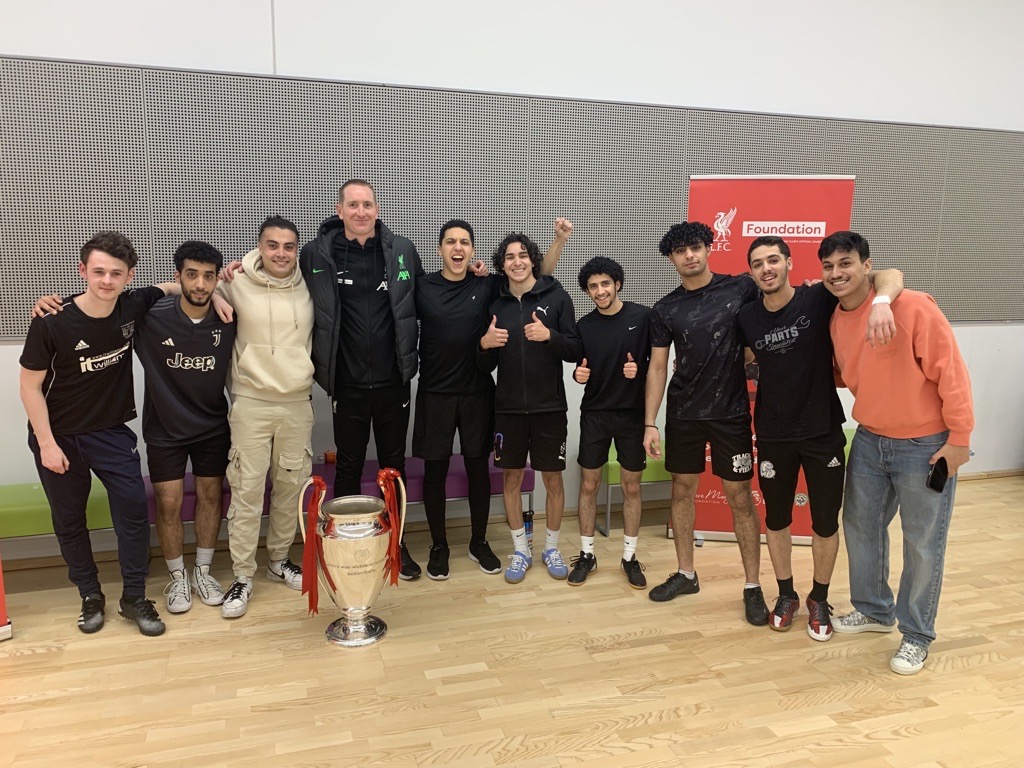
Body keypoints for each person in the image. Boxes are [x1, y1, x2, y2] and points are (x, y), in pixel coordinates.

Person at [819, 230, 973, 675]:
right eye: (828, 266)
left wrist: (959, 439)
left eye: (845, 263)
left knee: (923, 542)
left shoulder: (911, 307)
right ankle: (873, 609)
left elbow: (952, 374)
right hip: (868, 438)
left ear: (868, 265)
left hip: (925, 445)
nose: (836, 273)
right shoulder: (835, 319)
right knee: (861, 528)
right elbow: (850, 375)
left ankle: (917, 634)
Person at [737, 235, 902, 641]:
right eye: (758, 264)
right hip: (773, 435)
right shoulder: (747, 318)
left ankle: (819, 598)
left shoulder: (818, 298)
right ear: (752, 273)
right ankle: (787, 595)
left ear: (789, 262)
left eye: (773, 260)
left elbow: (888, 275)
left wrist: (882, 303)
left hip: (823, 432)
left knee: (825, 522)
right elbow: (744, 362)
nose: (766, 269)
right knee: (777, 519)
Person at [20, 231, 177, 636]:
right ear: (83, 271)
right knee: (69, 519)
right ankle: (90, 595)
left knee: (131, 509)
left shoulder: (131, 305)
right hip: (59, 438)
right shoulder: (51, 321)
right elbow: (29, 387)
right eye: (99, 272)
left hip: (110, 433)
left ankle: (134, 596)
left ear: (129, 277)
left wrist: (218, 294)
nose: (106, 280)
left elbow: (174, 285)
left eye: (116, 273)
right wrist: (48, 445)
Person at [414, 218, 572, 580]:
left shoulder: (488, 286)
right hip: (435, 392)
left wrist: (558, 242)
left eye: (465, 242)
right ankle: (439, 545)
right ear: (440, 249)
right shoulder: (422, 286)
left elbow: (533, 275)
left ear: (473, 250)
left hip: (478, 392)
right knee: (435, 470)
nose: (458, 248)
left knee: (478, 471)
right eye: (450, 242)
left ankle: (479, 542)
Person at [643, 222, 768, 624]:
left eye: (695, 247)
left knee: (740, 498)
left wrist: (750, 361)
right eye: (680, 252)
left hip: (731, 413)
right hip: (683, 413)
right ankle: (686, 573)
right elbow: (659, 366)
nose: (689, 256)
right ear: (671, 259)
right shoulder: (664, 309)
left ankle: (752, 586)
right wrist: (650, 422)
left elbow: (763, 332)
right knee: (682, 490)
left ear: (708, 248)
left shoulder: (741, 288)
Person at [300, 180, 425, 579]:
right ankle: (347, 543)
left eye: (367, 204)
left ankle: (396, 545)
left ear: (377, 209)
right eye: (352, 205)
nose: (360, 211)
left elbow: (430, 293)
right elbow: (277, 275)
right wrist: (236, 274)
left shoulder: (401, 249)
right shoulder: (316, 253)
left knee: (394, 467)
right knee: (349, 467)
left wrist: (475, 274)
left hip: (394, 382)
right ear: (339, 210)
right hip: (347, 384)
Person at [216, 216, 314, 619]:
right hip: (251, 402)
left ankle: (278, 560)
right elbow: (189, 289)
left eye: (289, 246)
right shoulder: (235, 281)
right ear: (259, 247)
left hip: (296, 402)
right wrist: (220, 294)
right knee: (248, 490)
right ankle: (242, 575)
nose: (281, 253)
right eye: (272, 245)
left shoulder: (310, 283)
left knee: (291, 487)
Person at [134, 241, 236, 614]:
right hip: (164, 428)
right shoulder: (150, 317)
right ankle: (177, 578)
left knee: (211, 495)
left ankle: (203, 571)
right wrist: (52, 304)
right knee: (169, 501)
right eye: (191, 275)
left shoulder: (229, 317)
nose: (200, 284)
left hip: (212, 424)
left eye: (209, 276)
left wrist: (225, 293)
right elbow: (101, 302)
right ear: (177, 276)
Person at [478, 233, 582, 584]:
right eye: (509, 257)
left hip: (549, 408)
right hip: (506, 409)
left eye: (523, 255)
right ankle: (520, 550)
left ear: (533, 260)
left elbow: (574, 348)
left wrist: (549, 336)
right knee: (511, 479)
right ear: (502, 264)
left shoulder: (557, 297)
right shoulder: (496, 304)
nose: (517, 261)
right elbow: (482, 363)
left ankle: (551, 547)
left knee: (551, 479)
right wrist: (485, 344)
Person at [568, 256, 651, 588]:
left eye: (605, 284)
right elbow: (580, 367)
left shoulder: (643, 317)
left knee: (631, 487)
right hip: (595, 415)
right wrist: (577, 374)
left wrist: (639, 370)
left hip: (632, 416)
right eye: (593, 287)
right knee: (589, 486)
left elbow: (656, 362)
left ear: (618, 283)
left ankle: (630, 558)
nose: (600, 291)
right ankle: (587, 554)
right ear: (588, 292)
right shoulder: (584, 326)